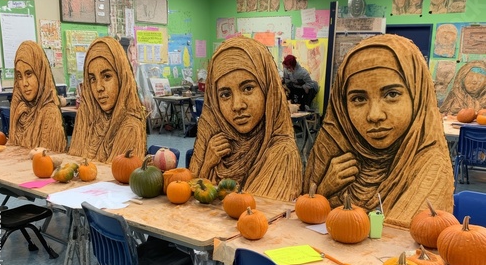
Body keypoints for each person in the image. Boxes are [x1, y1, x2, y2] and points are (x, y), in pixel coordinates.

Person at [304, 34, 454, 229]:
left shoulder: (429, 167)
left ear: (416, 96)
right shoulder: (334, 148)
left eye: (392, 94)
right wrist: (324, 187)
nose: (375, 115)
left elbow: (403, 242)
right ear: (342, 106)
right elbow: (304, 215)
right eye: (358, 99)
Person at [189, 36, 303, 202]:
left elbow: (251, 213)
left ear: (267, 89)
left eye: (248, 88)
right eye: (225, 95)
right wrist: (207, 163)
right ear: (215, 99)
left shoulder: (281, 154)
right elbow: (192, 199)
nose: (237, 105)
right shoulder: (214, 143)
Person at [68, 37, 147, 163]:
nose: (99, 88)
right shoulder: (86, 118)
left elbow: (116, 173)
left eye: (107, 76)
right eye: (92, 79)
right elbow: (72, 161)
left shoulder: (130, 127)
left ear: (121, 77)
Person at [9, 41, 67, 153]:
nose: (24, 83)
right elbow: (12, 147)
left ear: (40, 73)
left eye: (29, 74)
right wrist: (15, 119)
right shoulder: (21, 110)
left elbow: (45, 159)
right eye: (19, 76)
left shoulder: (50, 114)